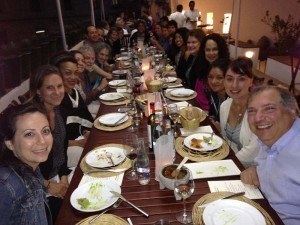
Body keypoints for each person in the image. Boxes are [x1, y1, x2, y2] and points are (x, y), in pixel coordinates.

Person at [241, 86, 300, 225]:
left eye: (269, 108)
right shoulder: (271, 137)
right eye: (252, 111)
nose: (258, 118)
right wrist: (255, 169)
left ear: (292, 111)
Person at [29, 65, 71, 222]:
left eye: (59, 86)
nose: (57, 92)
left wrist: (64, 177)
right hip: (37, 185)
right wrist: (47, 185)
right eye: (50, 88)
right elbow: (19, 167)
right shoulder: (32, 119)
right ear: (39, 91)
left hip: (57, 176)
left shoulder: (58, 110)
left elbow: (62, 148)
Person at [0, 104, 53, 225]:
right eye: (29, 134)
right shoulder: (5, 187)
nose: (42, 141)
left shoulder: (31, 166)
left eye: (45, 131)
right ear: (10, 143)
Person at [220, 57, 259, 167]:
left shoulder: (258, 111)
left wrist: (224, 165)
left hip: (255, 170)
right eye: (229, 79)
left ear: (251, 81)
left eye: (241, 79)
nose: (234, 85)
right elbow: (226, 141)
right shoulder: (225, 106)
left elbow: (252, 152)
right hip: (233, 163)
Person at [50, 53, 94, 143]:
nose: (73, 77)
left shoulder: (74, 92)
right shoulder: (55, 100)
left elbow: (83, 118)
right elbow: (55, 141)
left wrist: (85, 131)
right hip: (68, 146)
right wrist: (78, 143)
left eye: (76, 73)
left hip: (81, 137)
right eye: (68, 73)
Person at [194, 33, 230, 111]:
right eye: (208, 50)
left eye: (215, 49)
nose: (211, 53)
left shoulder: (230, 69)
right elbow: (199, 96)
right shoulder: (202, 68)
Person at [207, 59, 229, 123]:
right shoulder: (213, 93)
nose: (213, 82)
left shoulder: (233, 100)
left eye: (219, 78)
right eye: (210, 77)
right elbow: (212, 115)